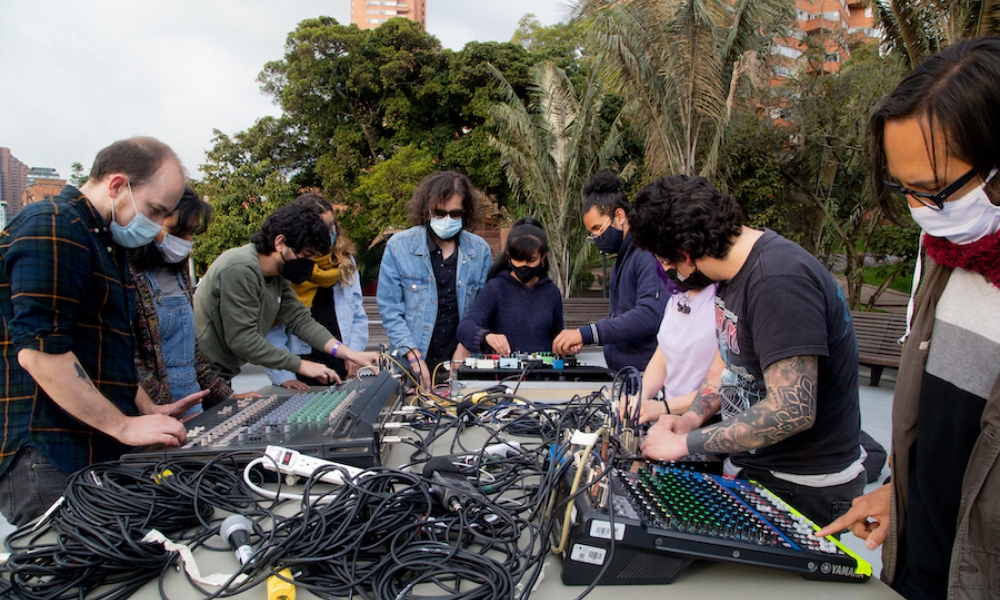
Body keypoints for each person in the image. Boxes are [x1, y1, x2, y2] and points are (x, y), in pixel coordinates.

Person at [817, 38, 1000, 600]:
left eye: (933, 191)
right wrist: (899, 493)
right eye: (906, 191)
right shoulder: (942, 252)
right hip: (924, 568)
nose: (921, 212)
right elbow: (938, 423)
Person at [631, 174, 865, 528]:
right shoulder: (731, 272)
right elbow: (728, 358)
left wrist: (685, 445)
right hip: (756, 466)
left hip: (800, 486)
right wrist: (691, 418)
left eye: (665, 262)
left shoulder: (778, 280)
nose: (667, 272)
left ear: (684, 254)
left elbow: (793, 409)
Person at [0, 137, 200, 526]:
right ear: (116, 186)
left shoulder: (103, 240)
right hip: (48, 453)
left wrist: (145, 409)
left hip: (88, 445)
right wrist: (122, 425)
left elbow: (100, 347)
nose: (159, 228)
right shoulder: (53, 224)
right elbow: (41, 353)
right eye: (156, 211)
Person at [194, 201, 378, 384]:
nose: (310, 263)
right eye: (306, 255)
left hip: (219, 374)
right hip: (201, 374)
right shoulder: (240, 268)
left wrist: (350, 353)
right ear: (280, 242)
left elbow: (299, 319)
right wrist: (300, 365)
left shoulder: (278, 275)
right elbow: (243, 339)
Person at [130, 187, 239, 417]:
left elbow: (192, 358)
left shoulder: (180, 273)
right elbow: (132, 362)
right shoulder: (130, 275)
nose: (186, 241)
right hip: (157, 413)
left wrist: (230, 398)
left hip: (190, 405)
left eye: (191, 233)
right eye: (179, 232)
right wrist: (171, 410)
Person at [376, 171, 492, 388]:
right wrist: (412, 355)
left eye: (455, 214)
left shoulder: (480, 251)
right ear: (426, 209)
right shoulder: (399, 246)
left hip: (463, 363)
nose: (447, 220)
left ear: (466, 213)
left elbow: (484, 309)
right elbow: (390, 310)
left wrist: (465, 347)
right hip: (411, 366)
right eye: (439, 213)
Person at [552, 173, 666, 371]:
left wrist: (586, 333)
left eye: (598, 228)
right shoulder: (623, 259)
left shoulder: (645, 254)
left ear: (620, 216)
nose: (596, 237)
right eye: (592, 233)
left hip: (647, 375)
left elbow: (650, 313)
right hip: (627, 374)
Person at [266, 193, 369, 389]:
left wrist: (353, 354)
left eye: (332, 225)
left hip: (341, 360)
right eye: (324, 227)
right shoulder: (288, 266)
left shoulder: (344, 261)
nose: (330, 232)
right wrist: (284, 376)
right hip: (300, 364)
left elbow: (357, 313)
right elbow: (273, 330)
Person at [457, 217, 564, 355]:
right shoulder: (496, 288)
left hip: (542, 373)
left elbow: (558, 337)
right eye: (518, 259)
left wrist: (566, 345)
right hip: (503, 373)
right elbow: (465, 327)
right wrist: (486, 336)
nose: (524, 265)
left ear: (543, 257)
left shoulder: (551, 292)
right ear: (509, 256)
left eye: (531, 260)